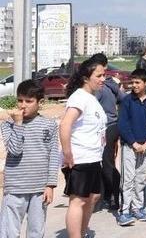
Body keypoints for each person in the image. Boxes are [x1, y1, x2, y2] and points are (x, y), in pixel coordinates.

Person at [0, 81, 60, 238]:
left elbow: (53, 155)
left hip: (39, 189)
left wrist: (50, 185)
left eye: (28, 101)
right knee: (9, 232)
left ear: (40, 102)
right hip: (15, 188)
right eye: (20, 100)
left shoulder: (49, 125)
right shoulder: (8, 125)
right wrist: (18, 123)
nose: (23, 105)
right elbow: (14, 150)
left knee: (36, 231)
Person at [59, 59, 107, 238]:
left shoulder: (91, 98)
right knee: (78, 200)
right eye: (99, 76)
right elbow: (65, 125)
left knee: (93, 197)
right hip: (80, 157)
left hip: (93, 157)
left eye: (104, 75)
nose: (103, 79)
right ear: (86, 78)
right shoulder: (79, 97)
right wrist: (67, 152)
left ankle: (82, 232)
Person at [116, 68, 146, 226]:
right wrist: (133, 143)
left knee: (141, 178)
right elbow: (123, 124)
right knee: (128, 179)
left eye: (137, 82)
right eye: (132, 82)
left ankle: (138, 207)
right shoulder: (127, 101)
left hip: (145, 147)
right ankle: (124, 211)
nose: (134, 85)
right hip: (129, 146)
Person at [91, 53, 124, 211]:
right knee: (99, 162)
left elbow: (123, 99)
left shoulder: (104, 86)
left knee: (107, 163)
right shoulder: (109, 84)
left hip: (108, 126)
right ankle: (105, 195)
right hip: (101, 127)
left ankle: (113, 195)